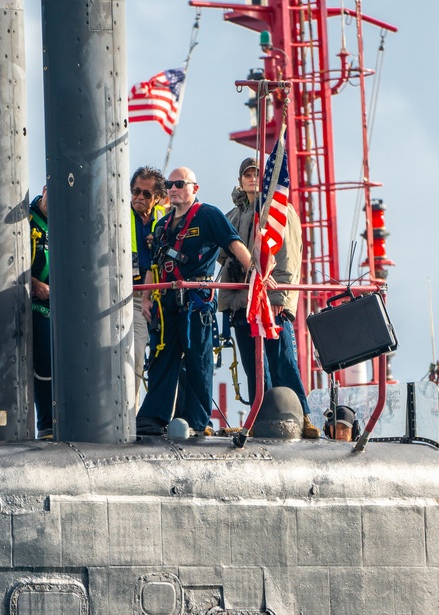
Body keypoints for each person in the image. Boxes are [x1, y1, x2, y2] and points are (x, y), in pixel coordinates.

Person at [136, 167, 254, 436]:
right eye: (170, 184)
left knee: (197, 360)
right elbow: (154, 264)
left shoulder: (208, 215)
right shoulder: (161, 224)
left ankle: (196, 420)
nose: (173, 188)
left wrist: (255, 274)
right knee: (161, 358)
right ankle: (153, 417)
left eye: (179, 183)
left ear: (194, 188)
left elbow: (233, 244)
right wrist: (145, 297)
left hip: (195, 303)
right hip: (166, 304)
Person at [218, 157, 319, 438]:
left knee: (282, 362)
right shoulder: (233, 217)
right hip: (242, 303)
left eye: (256, 174)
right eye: (247, 175)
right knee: (254, 368)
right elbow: (223, 258)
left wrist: (279, 301)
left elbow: (287, 261)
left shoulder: (280, 213)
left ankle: (305, 417)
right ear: (240, 180)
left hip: (269, 303)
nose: (251, 179)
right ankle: (259, 420)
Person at [130, 166, 167, 405]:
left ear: (157, 198)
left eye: (146, 194)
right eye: (136, 191)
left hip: (161, 299)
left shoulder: (167, 218)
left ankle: (161, 417)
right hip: (130, 298)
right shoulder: (118, 216)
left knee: (164, 360)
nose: (139, 198)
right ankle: (129, 418)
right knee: (132, 357)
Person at [29, 185, 53, 439]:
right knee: (44, 361)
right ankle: (46, 423)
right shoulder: (26, 221)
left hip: (59, 306)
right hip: (35, 304)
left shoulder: (67, 223)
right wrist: (35, 284)